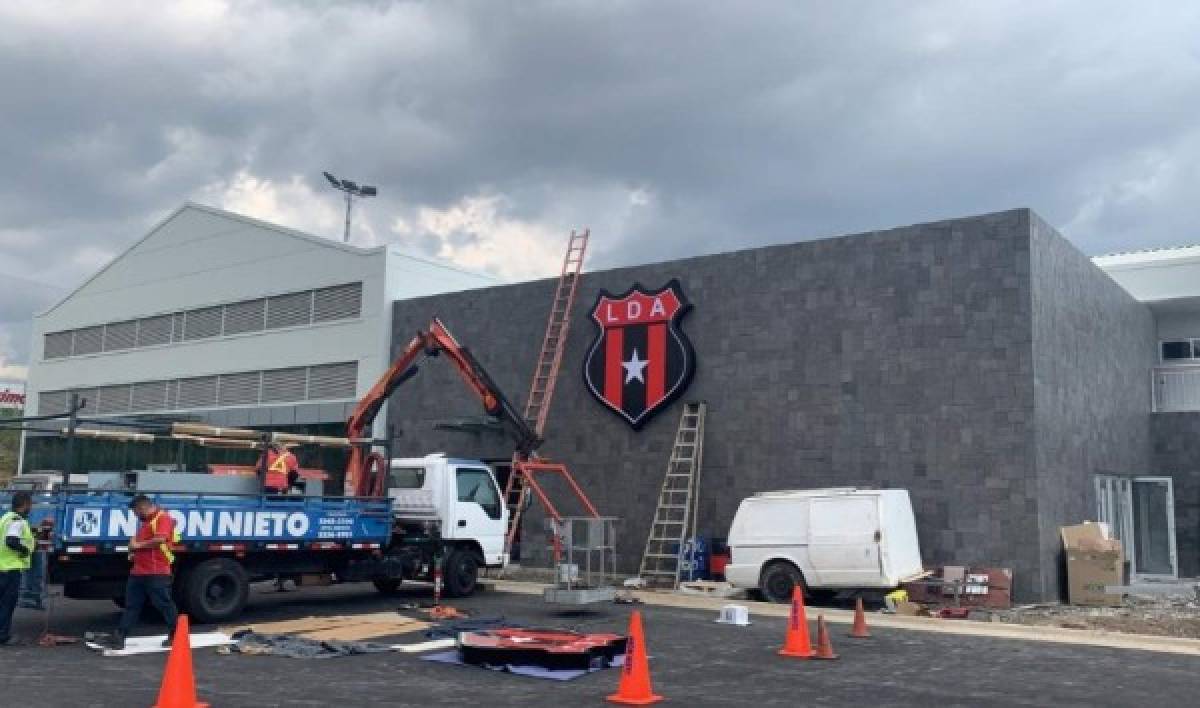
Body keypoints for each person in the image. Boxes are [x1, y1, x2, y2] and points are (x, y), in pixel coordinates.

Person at [113, 495, 181, 650]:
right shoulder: (147, 522)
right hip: (139, 571)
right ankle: (120, 636)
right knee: (132, 605)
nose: (135, 516)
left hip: (156, 571)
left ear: (141, 507)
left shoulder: (163, 518)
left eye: (135, 512)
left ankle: (176, 634)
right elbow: (142, 542)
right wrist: (133, 546)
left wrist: (137, 545)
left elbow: (160, 539)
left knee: (163, 603)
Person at [0, 492, 34, 647]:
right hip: (10, 568)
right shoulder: (17, 521)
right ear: (25, 504)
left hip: (2, 567)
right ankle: (3, 636)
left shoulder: (5, 518)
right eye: (30, 505)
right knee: (7, 604)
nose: (31, 508)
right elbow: (11, 541)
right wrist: (25, 550)